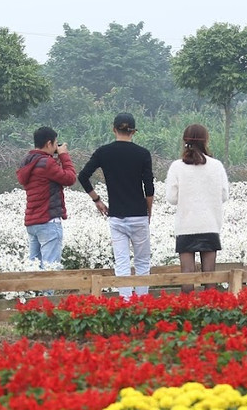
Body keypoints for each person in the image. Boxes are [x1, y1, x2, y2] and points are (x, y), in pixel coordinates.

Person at [78, 112, 155, 300]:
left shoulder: (103, 152)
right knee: (142, 261)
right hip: (138, 214)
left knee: (122, 262)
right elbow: (149, 186)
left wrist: (97, 200)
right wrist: (149, 210)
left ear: (114, 129)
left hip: (116, 215)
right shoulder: (143, 154)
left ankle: (125, 302)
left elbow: (82, 176)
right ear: (133, 132)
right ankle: (143, 301)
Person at [165, 124, 228, 294]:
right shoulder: (216, 166)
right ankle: (210, 312)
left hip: (186, 226)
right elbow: (224, 195)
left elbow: (171, 198)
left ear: (185, 140)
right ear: (206, 140)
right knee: (210, 277)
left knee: (187, 275)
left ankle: (187, 313)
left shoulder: (177, 167)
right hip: (210, 225)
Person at [16, 127, 76, 268]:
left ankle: (34, 291)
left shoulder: (27, 162)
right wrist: (64, 156)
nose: (57, 147)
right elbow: (70, 178)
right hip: (48, 221)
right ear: (49, 143)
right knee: (50, 268)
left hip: (32, 221)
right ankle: (47, 292)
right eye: (55, 144)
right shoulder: (47, 163)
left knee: (34, 268)